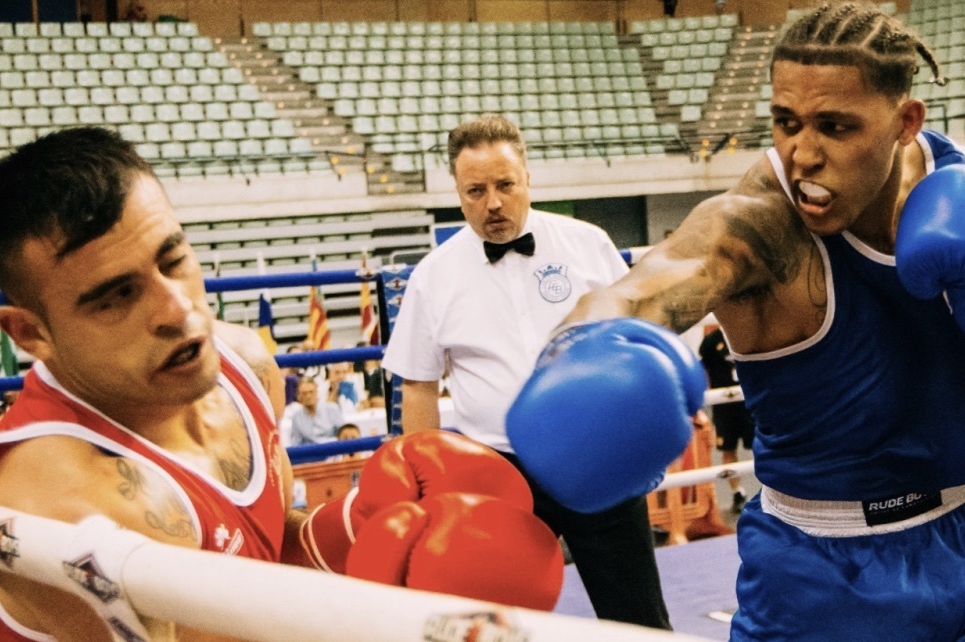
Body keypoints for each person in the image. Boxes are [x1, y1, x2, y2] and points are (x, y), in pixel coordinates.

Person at [506, 4, 965, 641]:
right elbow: (637, 293)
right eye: (786, 123)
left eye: (835, 127)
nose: (802, 154)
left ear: (906, 122)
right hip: (822, 575)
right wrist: (584, 349)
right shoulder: (756, 226)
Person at [0, 128, 564, 640]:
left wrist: (360, 525)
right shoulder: (67, 514)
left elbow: (270, 552)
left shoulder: (243, 365)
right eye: (117, 296)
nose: (178, 310)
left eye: (173, 260)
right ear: (32, 334)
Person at [382, 115, 672, 629]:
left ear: (527, 179)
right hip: (497, 471)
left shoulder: (587, 244)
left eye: (505, 185)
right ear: (458, 193)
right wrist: (428, 492)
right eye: (475, 191)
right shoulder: (433, 276)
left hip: (595, 455)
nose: (492, 203)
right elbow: (419, 385)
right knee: (491, 622)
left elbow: (633, 343)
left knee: (638, 620)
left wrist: (640, 442)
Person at [698, 326, 754, 512]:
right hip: (724, 408)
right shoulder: (711, 342)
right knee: (728, 450)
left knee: (762, 446)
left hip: (750, 402)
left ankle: (771, 490)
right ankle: (737, 492)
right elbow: (701, 367)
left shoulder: (748, 331)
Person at [288, 376, 344, 445]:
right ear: (299, 396)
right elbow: (295, 443)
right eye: (304, 393)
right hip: (311, 450)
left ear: (317, 392)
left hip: (333, 448)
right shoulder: (297, 417)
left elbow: (343, 434)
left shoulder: (332, 409)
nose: (308, 396)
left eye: (311, 392)